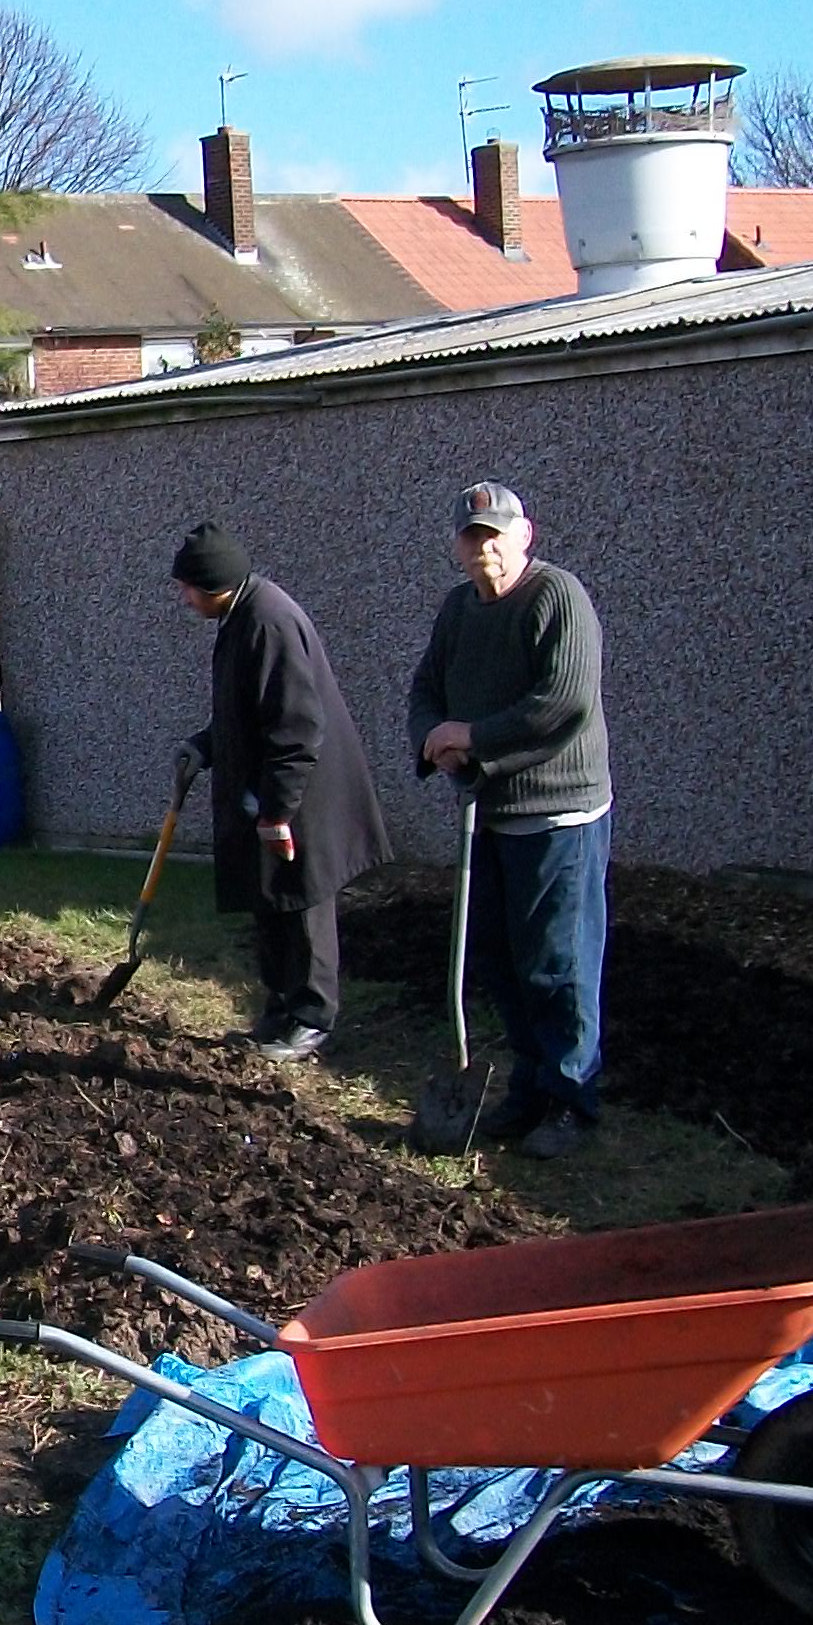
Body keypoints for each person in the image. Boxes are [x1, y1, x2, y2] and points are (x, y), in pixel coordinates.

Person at [407, 481, 613, 1159]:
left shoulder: (557, 598)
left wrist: (474, 739)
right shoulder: (459, 609)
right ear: (457, 546)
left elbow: (562, 704)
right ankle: (528, 1087)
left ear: (525, 535)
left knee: (557, 962)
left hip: (558, 815)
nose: (483, 547)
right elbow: (426, 687)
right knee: (499, 960)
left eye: (495, 533)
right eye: (472, 535)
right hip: (488, 813)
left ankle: (571, 1101)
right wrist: (433, 737)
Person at [169, 526, 391, 1063]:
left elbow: (296, 726)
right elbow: (247, 711)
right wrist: (206, 746)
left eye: (189, 588)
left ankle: (312, 1019)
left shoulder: (269, 621)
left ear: (215, 583)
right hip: (269, 788)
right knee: (270, 899)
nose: (184, 598)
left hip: (304, 794)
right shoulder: (239, 616)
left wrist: (277, 812)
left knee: (303, 902)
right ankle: (278, 1010)